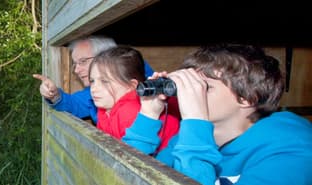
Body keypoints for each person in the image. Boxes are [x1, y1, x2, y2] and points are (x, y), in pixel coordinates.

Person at [122, 44, 312, 184]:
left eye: (204, 87)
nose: (190, 93)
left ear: (248, 98)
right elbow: (122, 174)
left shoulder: (291, 151)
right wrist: (149, 114)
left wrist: (195, 122)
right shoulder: (189, 138)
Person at [33, 36, 154, 123]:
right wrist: (54, 95)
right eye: (75, 64)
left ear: (107, 56)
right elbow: (74, 104)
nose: (76, 70)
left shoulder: (150, 94)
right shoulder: (94, 91)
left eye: (83, 61)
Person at [89, 46, 179, 150]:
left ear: (131, 86)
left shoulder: (130, 112)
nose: (93, 88)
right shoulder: (105, 107)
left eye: (104, 81)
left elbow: (133, 156)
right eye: (92, 81)